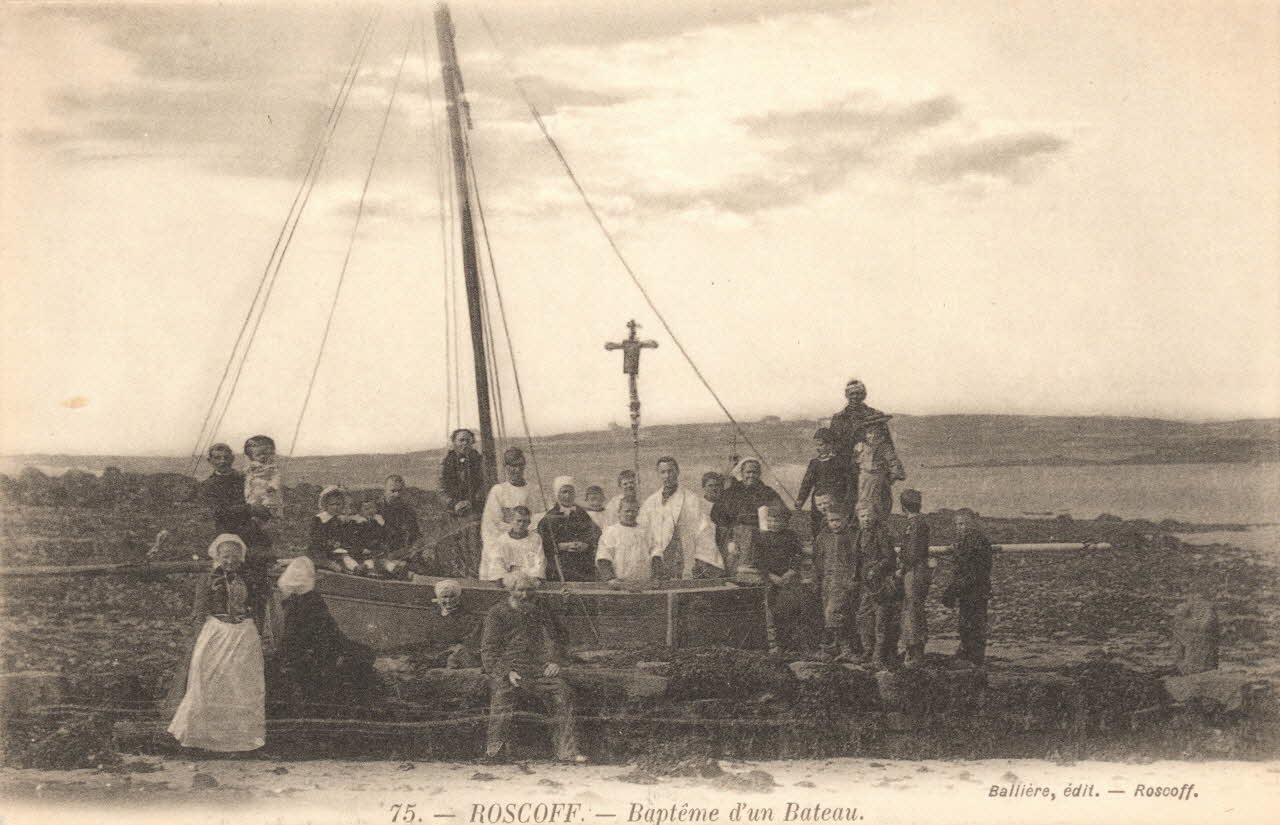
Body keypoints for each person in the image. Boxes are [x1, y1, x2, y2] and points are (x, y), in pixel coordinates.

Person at [167, 534, 265, 752]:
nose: (230, 560)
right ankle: (204, 740)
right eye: (225, 556)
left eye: (234, 555)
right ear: (217, 556)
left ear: (241, 557)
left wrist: (258, 629)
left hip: (242, 634)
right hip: (216, 632)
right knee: (209, 680)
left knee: (240, 684)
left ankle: (240, 740)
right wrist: (197, 634)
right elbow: (199, 609)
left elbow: (257, 606)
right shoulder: (208, 579)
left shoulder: (249, 578)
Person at [480, 572, 585, 763]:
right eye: (520, 590)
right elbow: (489, 651)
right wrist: (507, 673)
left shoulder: (539, 611)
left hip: (537, 670)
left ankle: (566, 751)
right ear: (511, 591)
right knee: (503, 697)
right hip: (509, 670)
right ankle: (495, 752)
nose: (525, 595)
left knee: (563, 692)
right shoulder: (497, 613)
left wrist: (555, 661)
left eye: (530, 590)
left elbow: (558, 639)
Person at [638, 457, 722, 579]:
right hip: (658, 558)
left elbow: (703, 529)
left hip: (683, 554)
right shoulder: (650, 502)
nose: (667, 475)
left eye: (670, 471)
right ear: (658, 474)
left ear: (677, 472)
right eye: (663, 472)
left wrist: (703, 558)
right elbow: (643, 531)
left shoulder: (691, 499)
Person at [829, 379, 902, 506]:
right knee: (846, 503)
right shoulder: (838, 418)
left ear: (864, 395)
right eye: (852, 394)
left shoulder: (875, 415)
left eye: (858, 393)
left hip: (872, 466)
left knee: (875, 504)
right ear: (846, 395)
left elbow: (886, 442)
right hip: (846, 468)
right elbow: (832, 445)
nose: (855, 397)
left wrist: (892, 468)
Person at [711, 458, 783, 573]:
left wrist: (770, 519)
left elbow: (782, 511)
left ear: (759, 474)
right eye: (748, 472)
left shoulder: (767, 492)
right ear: (742, 473)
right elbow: (718, 516)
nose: (751, 475)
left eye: (754, 472)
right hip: (734, 537)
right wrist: (729, 540)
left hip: (762, 535)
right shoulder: (731, 492)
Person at [942, 510, 993, 667]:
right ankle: (968, 655)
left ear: (972, 524)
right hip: (969, 588)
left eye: (963, 524)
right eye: (957, 524)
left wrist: (953, 589)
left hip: (974, 588)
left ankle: (974, 659)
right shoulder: (966, 540)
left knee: (973, 624)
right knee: (966, 623)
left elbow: (973, 570)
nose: (960, 527)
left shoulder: (975, 540)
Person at [751, 504, 804, 655]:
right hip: (771, 580)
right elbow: (758, 560)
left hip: (788, 580)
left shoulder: (791, 536)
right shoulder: (763, 537)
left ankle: (791, 644)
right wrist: (770, 576)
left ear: (785, 522)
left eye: (777, 521)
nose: (773, 524)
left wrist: (791, 572)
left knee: (790, 609)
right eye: (770, 520)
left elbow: (797, 555)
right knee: (772, 611)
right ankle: (775, 644)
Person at [854, 504, 900, 671]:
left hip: (880, 583)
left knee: (881, 620)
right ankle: (867, 651)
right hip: (866, 584)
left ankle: (878, 658)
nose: (865, 519)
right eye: (862, 516)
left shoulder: (881, 533)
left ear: (874, 516)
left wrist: (876, 569)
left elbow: (889, 559)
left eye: (868, 516)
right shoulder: (860, 534)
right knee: (863, 617)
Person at [479, 448, 535, 580]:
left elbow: (537, 517)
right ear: (505, 467)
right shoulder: (498, 491)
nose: (517, 470)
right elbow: (491, 524)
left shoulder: (532, 489)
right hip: (502, 542)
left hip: (527, 540)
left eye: (520, 465)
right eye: (513, 466)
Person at [813, 509, 859, 662]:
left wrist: (852, 579)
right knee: (827, 612)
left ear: (845, 519)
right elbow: (818, 559)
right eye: (831, 520)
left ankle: (846, 647)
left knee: (834, 612)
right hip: (827, 580)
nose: (835, 524)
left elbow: (855, 561)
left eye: (838, 520)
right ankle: (834, 645)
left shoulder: (850, 537)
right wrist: (818, 579)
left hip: (843, 580)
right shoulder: (822, 537)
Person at [441, 429, 488, 576]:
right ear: (454, 442)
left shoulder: (479, 461)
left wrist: (471, 502)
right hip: (453, 513)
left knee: (475, 546)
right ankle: (456, 575)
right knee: (453, 546)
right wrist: (453, 504)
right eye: (461, 440)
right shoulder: (447, 462)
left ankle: (475, 574)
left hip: (475, 512)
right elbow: (441, 489)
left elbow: (485, 485)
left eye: (468, 440)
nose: (464, 444)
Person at [538, 477, 600, 582]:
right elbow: (542, 542)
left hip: (582, 565)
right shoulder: (549, 517)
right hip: (560, 566)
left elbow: (595, 534)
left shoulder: (582, 514)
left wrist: (586, 545)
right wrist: (561, 546)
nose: (567, 496)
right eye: (564, 492)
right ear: (557, 494)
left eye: (570, 492)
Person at [795, 428, 853, 536]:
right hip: (818, 501)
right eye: (816, 445)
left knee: (837, 524)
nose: (817, 448)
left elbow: (849, 483)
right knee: (817, 525)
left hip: (836, 499)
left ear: (830, 444)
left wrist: (847, 501)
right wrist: (800, 500)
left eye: (820, 445)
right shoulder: (814, 463)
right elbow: (807, 483)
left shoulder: (841, 461)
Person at [897, 489, 930, 667]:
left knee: (912, 610)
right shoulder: (918, 523)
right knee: (913, 608)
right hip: (917, 569)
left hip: (914, 571)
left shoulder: (915, 525)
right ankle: (914, 648)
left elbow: (913, 553)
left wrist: (902, 568)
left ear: (902, 507)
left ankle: (914, 651)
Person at [853, 421, 906, 520]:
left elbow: (894, 464)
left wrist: (888, 479)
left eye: (875, 432)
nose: (872, 436)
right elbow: (854, 464)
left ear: (880, 433)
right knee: (863, 505)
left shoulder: (885, 448)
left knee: (878, 505)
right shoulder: (860, 446)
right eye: (869, 433)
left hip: (878, 481)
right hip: (863, 481)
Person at [596, 499, 651, 582]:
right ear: (619, 512)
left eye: (634, 511)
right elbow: (604, 557)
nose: (630, 514)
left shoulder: (645, 531)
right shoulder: (610, 532)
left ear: (638, 512)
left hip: (644, 582)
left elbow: (656, 553)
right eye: (627, 511)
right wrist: (610, 578)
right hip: (619, 583)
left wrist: (657, 576)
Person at [431, 579, 482, 670]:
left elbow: (469, 643)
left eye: (452, 596)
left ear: (458, 598)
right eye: (444, 597)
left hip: (456, 655)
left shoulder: (468, 618)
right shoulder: (434, 616)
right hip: (435, 653)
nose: (448, 600)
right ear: (438, 599)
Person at [309, 486, 357, 573]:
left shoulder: (339, 520)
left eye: (338, 504)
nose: (335, 507)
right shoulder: (320, 519)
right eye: (332, 504)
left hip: (335, 551)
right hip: (320, 553)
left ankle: (356, 569)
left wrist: (341, 545)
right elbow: (316, 540)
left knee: (346, 558)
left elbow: (345, 537)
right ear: (325, 505)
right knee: (335, 566)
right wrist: (331, 545)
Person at [490, 506, 546, 580]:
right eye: (519, 521)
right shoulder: (502, 540)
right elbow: (497, 563)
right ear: (511, 520)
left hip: (529, 578)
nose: (522, 524)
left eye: (525, 521)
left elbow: (539, 561)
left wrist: (531, 577)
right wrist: (505, 577)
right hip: (508, 579)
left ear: (529, 523)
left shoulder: (535, 539)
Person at [380, 475, 422, 560]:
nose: (397, 494)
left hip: (402, 556)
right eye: (393, 491)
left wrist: (414, 548)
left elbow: (416, 536)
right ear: (385, 491)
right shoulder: (374, 509)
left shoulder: (408, 511)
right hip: (379, 556)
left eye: (400, 491)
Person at [243, 435, 283, 522]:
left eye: (266, 454)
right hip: (254, 489)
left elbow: (276, 476)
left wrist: (273, 485)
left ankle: (273, 516)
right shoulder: (251, 466)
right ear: (251, 456)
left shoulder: (271, 467)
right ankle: (254, 516)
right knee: (252, 502)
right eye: (259, 455)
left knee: (269, 502)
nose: (263, 457)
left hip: (266, 489)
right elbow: (247, 475)